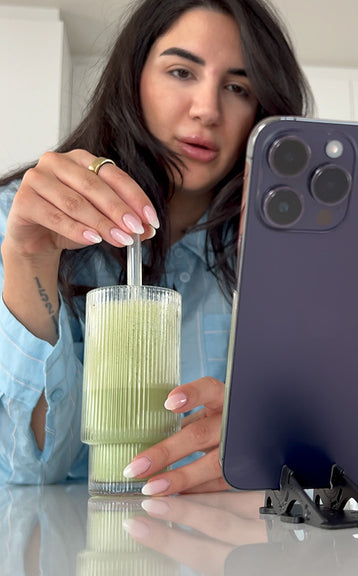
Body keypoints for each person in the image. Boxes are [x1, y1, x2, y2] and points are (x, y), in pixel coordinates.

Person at [0, 0, 312, 495]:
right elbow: (28, 473)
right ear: (133, 79)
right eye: (181, 71)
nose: (208, 109)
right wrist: (28, 263)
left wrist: (271, 450)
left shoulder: (278, 252)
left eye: (237, 86)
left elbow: (314, 456)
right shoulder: (22, 219)